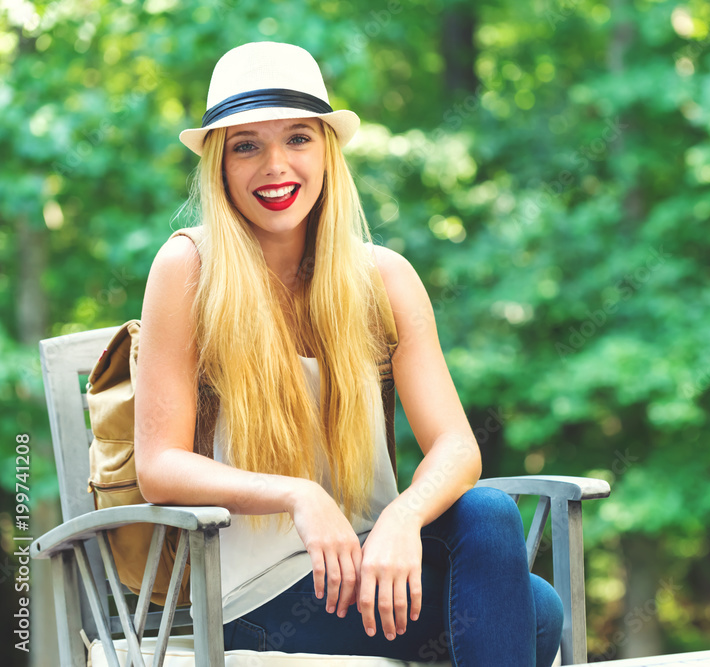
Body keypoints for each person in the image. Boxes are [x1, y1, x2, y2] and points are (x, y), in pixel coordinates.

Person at [133, 41, 564, 665]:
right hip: (256, 595)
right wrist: (299, 495)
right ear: (220, 165)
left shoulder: (381, 279)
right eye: (246, 145)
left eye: (298, 139)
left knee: (487, 513)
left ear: (328, 152)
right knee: (538, 610)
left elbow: (456, 446)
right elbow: (159, 465)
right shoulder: (188, 268)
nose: (275, 166)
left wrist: (404, 518)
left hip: (367, 560)